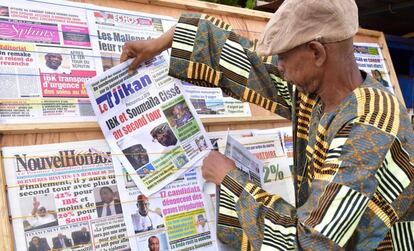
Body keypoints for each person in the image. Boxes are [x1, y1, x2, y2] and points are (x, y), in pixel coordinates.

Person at [121, 0, 414, 249]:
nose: (280, 67)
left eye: (284, 57)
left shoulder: (370, 127)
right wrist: (163, 41)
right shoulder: (320, 94)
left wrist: (230, 179)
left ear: (316, 52)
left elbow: (311, 243)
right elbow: (249, 65)